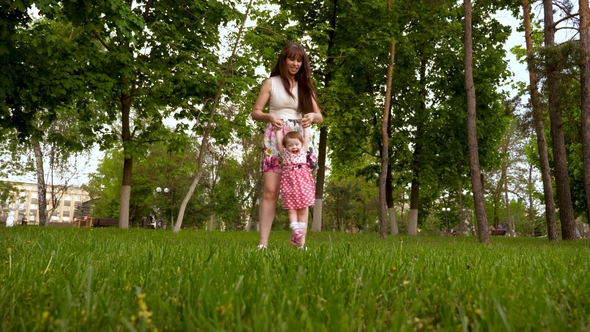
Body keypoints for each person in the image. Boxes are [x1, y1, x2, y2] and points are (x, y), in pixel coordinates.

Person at [251, 42, 323, 249]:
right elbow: (255, 112)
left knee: (301, 192)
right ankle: (263, 243)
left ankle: (301, 244)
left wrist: (311, 115)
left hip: (298, 140)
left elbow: (319, 117)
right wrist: (268, 116)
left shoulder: (306, 85)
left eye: (299, 60)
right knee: (270, 191)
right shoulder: (270, 83)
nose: (295, 63)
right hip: (275, 137)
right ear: (284, 60)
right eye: (292, 59)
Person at [275, 129, 315, 248]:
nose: (294, 147)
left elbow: (306, 138)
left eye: (296, 144)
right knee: (291, 208)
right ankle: (295, 228)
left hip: (303, 184)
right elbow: (278, 141)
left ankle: (300, 241)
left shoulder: (303, 151)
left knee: (303, 208)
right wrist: (278, 130)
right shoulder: (285, 154)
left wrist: (306, 128)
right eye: (290, 145)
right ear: (285, 146)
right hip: (290, 185)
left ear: (301, 144)